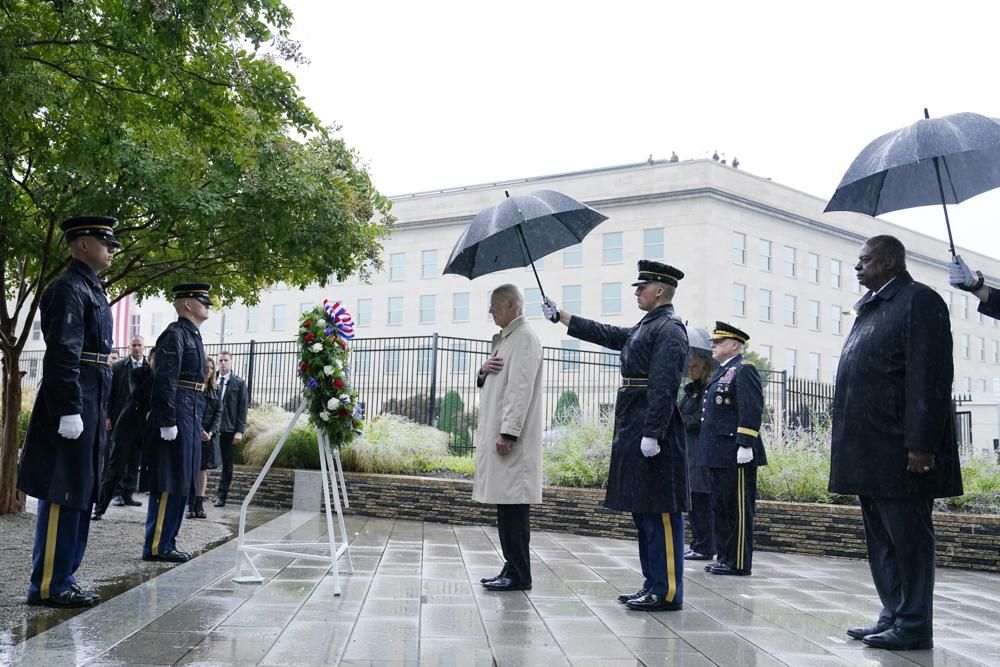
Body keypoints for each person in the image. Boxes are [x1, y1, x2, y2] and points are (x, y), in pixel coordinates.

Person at [831, 235, 963, 651]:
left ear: (889, 261)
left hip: (900, 450)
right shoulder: (873, 306)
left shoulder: (918, 301)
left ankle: (913, 623)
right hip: (869, 450)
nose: (858, 267)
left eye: (865, 260)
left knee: (908, 540)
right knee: (882, 540)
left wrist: (922, 444)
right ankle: (893, 612)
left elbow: (931, 375)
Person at [543, 260, 689, 612]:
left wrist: (653, 432)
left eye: (642, 286)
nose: (637, 291)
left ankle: (667, 590)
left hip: (654, 432)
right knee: (644, 511)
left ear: (660, 290)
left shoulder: (669, 329)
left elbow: (665, 386)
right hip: (634, 423)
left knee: (662, 513)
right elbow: (609, 335)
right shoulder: (648, 325)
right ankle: (652, 583)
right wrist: (562, 316)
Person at [17, 215, 120, 608]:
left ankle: (66, 576)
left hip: (89, 397)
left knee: (80, 487)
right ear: (81, 245)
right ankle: (48, 583)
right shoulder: (68, 289)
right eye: (104, 241)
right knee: (63, 489)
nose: (111, 248)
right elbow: (63, 353)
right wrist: (69, 409)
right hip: (75, 400)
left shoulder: (90, 289)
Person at [473, 285, 544, 592]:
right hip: (503, 437)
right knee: (506, 507)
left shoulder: (524, 339)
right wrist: (481, 370)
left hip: (512, 441)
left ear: (513, 305)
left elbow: (519, 390)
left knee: (514, 508)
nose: (491, 311)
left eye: (495, 306)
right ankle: (512, 566)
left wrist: (508, 432)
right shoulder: (509, 339)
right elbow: (497, 380)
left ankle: (519, 573)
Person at [140, 283, 210, 562]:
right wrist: (167, 420)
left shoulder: (192, 335)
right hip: (178, 411)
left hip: (189, 411)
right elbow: (165, 380)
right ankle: (157, 544)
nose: (207, 305)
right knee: (170, 478)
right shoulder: (175, 334)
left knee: (184, 479)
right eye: (202, 300)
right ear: (187, 304)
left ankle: (167, 540)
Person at [697, 322, 767, 577]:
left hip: (735, 452)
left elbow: (751, 407)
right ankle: (725, 557)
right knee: (722, 508)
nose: (713, 345)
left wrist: (746, 443)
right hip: (718, 452)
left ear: (734, 345)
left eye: (719, 341)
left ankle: (738, 562)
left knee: (737, 510)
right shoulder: (722, 371)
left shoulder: (744, 369)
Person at [93, 346, 155, 521]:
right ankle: (99, 507)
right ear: (150, 359)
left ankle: (128, 494)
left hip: (142, 430)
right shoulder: (138, 373)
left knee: (134, 466)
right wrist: (153, 377)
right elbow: (137, 394)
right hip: (127, 427)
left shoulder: (163, 378)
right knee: (115, 469)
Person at [678, 337, 718, 561]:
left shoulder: (707, 390)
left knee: (702, 501)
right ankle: (698, 543)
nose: (690, 369)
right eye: (689, 366)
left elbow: (701, 419)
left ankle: (705, 546)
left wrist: (682, 420)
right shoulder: (691, 390)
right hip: (689, 451)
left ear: (705, 367)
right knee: (693, 501)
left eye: (695, 366)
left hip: (700, 452)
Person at [104, 335, 147, 509]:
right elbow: (109, 395)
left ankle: (128, 492)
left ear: (144, 347)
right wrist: (107, 416)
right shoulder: (118, 367)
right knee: (118, 458)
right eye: (133, 345)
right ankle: (117, 493)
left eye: (139, 345)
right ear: (129, 347)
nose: (136, 348)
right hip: (120, 419)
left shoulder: (149, 368)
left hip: (140, 422)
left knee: (135, 459)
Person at [213, 350, 248, 507]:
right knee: (203, 462)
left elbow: (242, 408)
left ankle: (222, 495)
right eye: (220, 360)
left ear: (231, 362)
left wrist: (239, 430)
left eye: (226, 360)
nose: (223, 363)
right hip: (210, 429)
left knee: (227, 464)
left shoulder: (239, 383)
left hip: (228, 429)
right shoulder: (210, 379)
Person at [189, 356, 222, 519]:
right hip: (194, 433)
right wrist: (200, 430)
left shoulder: (216, 389)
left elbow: (219, 413)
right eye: (205, 367)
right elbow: (191, 411)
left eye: (210, 368)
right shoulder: (194, 387)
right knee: (192, 470)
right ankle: (190, 504)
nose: (208, 371)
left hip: (209, 436)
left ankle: (199, 504)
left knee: (203, 471)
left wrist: (211, 432)